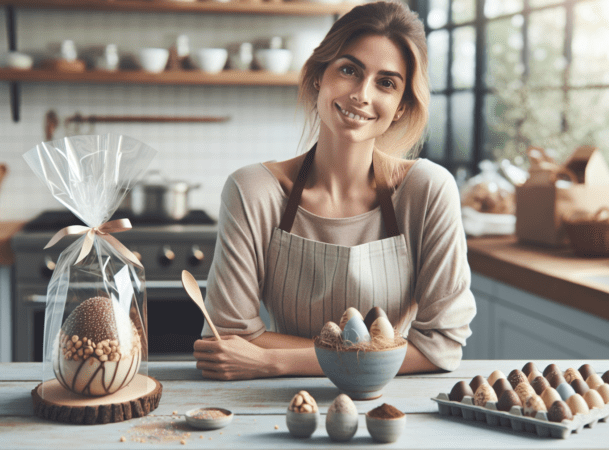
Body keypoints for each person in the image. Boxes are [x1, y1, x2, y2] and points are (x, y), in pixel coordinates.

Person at [193, 0, 476, 380]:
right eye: (349, 70)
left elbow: (440, 346)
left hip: (391, 404)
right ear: (318, 76)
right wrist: (379, 354)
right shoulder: (254, 191)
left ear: (402, 107)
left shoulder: (427, 191)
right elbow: (229, 339)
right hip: (275, 405)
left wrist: (272, 359)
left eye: (386, 83)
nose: (362, 94)